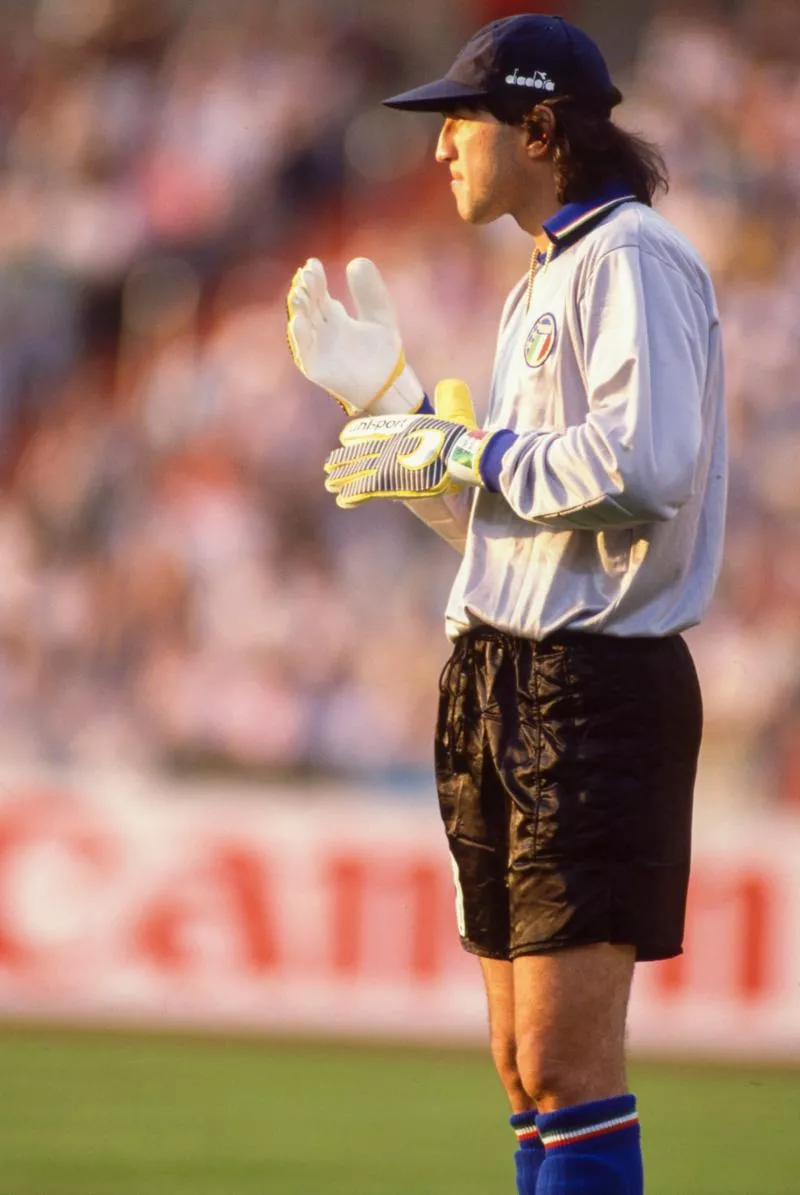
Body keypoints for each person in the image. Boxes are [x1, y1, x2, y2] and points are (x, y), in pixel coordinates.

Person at [286, 13, 727, 1195]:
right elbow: (521, 519)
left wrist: (462, 449)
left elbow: (644, 466)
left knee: (562, 1063)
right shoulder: (548, 275)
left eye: (458, 121)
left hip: (588, 684)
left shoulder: (628, 257)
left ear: (538, 128)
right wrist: (392, 414)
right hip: (506, 673)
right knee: (522, 1070)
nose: (440, 148)